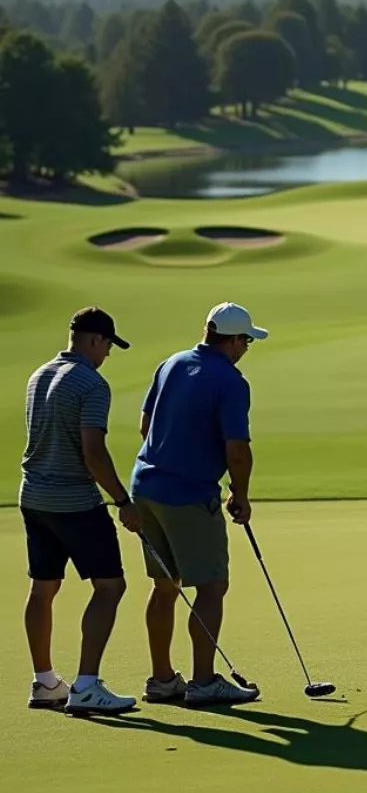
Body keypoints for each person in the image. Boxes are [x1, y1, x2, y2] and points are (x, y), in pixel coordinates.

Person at [130, 302, 268, 706]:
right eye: (246, 340)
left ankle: (161, 680)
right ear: (233, 340)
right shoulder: (231, 380)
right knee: (211, 586)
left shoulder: (171, 363)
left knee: (165, 585)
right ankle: (204, 682)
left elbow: (146, 426)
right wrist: (239, 493)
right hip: (188, 495)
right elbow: (238, 450)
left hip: (146, 487)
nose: (246, 348)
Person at [20, 307, 141, 715]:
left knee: (43, 587)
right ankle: (87, 685)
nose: (107, 354)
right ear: (95, 340)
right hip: (74, 502)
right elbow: (93, 452)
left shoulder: (39, 374)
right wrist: (123, 501)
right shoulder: (92, 383)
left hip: (33, 497)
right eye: (108, 345)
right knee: (110, 586)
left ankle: (45, 682)